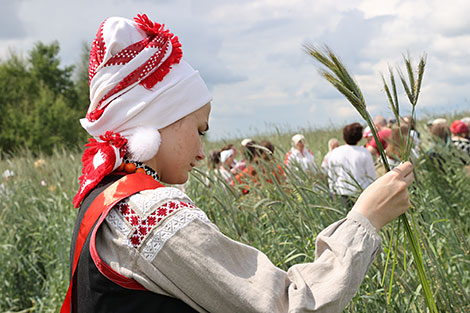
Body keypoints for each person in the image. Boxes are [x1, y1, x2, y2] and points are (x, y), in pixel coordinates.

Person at [63, 14, 414, 313]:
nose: (202, 151)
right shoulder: (148, 213)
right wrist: (365, 220)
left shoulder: (104, 198)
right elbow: (287, 304)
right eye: (200, 128)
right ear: (160, 118)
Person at [326, 123, 377, 207]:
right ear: (359, 137)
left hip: (342, 193)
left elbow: (332, 175)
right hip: (361, 194)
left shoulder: (335, 152)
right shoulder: (364, 152)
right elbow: (371, 177)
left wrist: (332, 191)